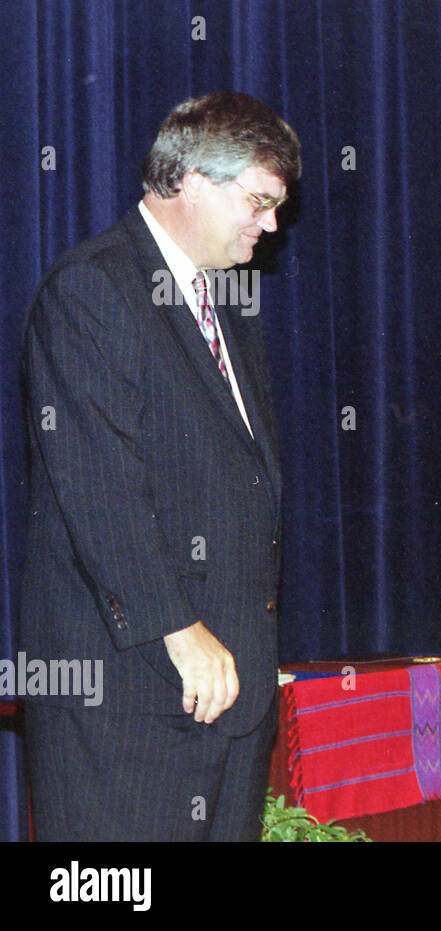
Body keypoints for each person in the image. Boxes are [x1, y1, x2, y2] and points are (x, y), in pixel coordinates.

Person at [19, 91, 300, 841]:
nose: (270, 225)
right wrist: (180, 627)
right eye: (259, 200)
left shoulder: (229, 305)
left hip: (228, 701)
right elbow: (98, 486)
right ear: (195, 180)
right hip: (131, 696)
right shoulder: (92, 288)